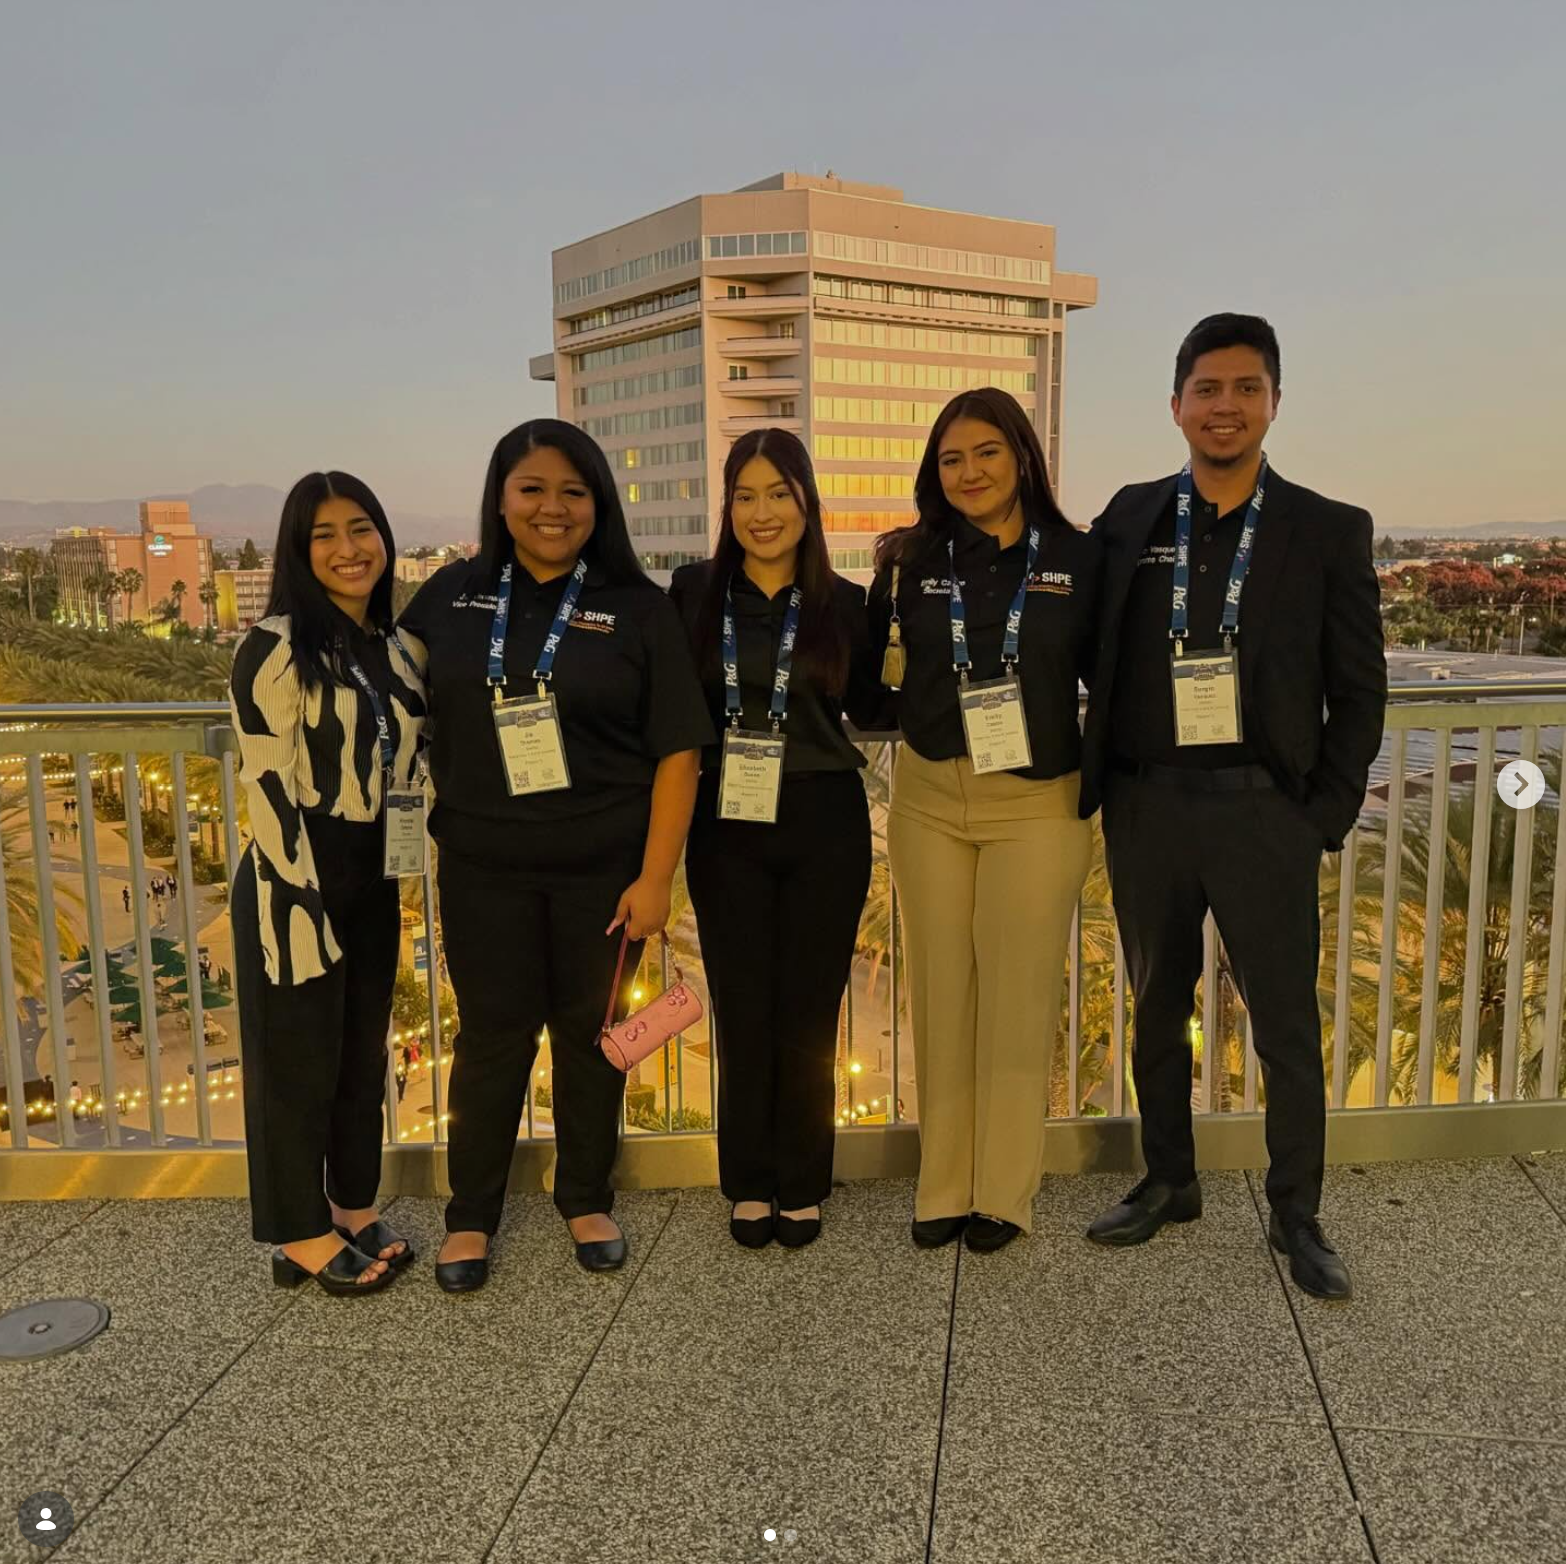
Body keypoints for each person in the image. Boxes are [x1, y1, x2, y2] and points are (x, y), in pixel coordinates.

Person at [1078, 314, 1386, 1300]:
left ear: (1274, 403)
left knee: (1285, 1026)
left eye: (1246, 388)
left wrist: (1322, 815)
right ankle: (1169, 1180)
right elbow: (1073, 630)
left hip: (1265, 815)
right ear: (1176, 405)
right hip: (1148, 807)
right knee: (1155, 1009)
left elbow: (1361, 689)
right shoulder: (1130, 518)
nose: (1225, 406)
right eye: (1207, 389)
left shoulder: (1326, 529)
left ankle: (1297, 1212)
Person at [398, 419, 711, 1292]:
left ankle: (584, 1196)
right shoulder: (450, 596)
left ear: (598, 504)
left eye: (574, 491)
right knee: (491, 1038)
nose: (553, 508)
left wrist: (657, 879)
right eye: (532, 488)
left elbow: (679, 752)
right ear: (501, 499)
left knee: (588, 1037)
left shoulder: (637, 606)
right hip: (481, 868)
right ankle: (471, 1214)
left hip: (604, 876)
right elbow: (382, 692)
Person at [867, 388, 1101, 1253]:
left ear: (1023, 457)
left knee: (1016, 996)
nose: (969, 472)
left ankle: (1002, 1192)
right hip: (930, 799)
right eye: (951, 459)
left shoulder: (1079, 560)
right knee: (940, 993)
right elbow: (869, 678)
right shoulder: (907, 562)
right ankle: (943, 1185)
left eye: (987, 453)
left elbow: (1115, 681)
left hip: (1037, 804)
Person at [669, 428, 884, 1250]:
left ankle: (803, 1180)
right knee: (742, 1004)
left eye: (779, 494)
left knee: (809, 1009)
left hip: (825, 819)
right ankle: (748, 1181)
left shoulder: (846, 602)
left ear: (807, 503)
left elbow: (875, 706)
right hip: (725, 820)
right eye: (745, 496)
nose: (762, 513)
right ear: (727, 507)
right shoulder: (692, 593)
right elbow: (665, 706)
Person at [229, 470, 428, 1297]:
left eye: (361, 529)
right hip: (295, 875)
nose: (348, 549)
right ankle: (298, 1232)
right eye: (325, 536)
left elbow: (410, 767)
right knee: (295, 1061)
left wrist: (404, 877)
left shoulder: (400, 648)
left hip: (373, 872)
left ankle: (351, 1205)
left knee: (358, 1056)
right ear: (298, 551)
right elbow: (267, 786)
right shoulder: (275, 646)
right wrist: (299, 906)